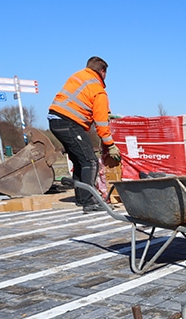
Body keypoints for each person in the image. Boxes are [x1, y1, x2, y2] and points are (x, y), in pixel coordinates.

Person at [48, 56, 120, 213]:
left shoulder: (78, 77)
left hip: (55, 120)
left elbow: (81, 100)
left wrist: (106, 111)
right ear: (102, 71)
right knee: (90, 161)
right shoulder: (99, 90)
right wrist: (110, 145)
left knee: (80, 161)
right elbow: (101, 126)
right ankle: (89, 202)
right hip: (69, 123)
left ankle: (82, 199)